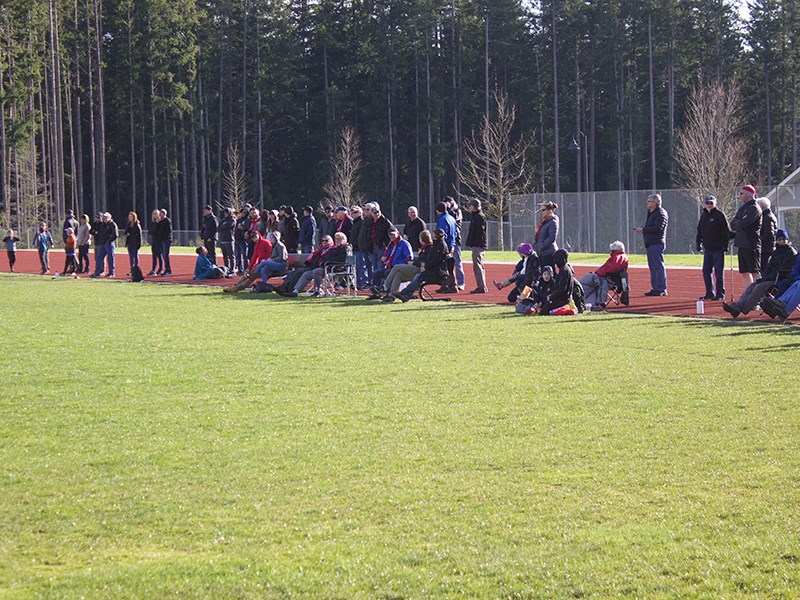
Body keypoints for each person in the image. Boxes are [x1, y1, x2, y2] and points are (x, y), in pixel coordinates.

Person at [722, 229, 797, 319]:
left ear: (787, 240)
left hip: (780, 279)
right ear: (776, 240)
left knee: (759, 287)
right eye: (779, 239)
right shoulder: (776, 251)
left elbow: (784, 271)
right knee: (753, 285)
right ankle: (737, 306)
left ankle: (742, 309)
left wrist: (767, 278)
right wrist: (764, 277)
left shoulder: (790, 252)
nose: (781, 241)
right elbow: (769, 266)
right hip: (771, 277)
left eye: (784, 239)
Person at [276, 233, 348, 297]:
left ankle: (317, 290)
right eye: (336, 238)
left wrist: (327, 260)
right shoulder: (332, 249)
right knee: (305, 274)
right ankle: (294, 291)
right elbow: (324, 257)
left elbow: (341, 259)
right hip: (323, 266)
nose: (337, 240)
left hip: (332, 267)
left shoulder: (343, 248)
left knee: (313, 271)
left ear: (344, 239)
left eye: (339, 239)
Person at [396, 229, 450, 302]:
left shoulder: (441, 246)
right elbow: (429, 259)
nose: (433, 236)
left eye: (435, 234)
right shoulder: (437, 245)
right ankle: (406, 295)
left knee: (419, 276)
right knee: (418, 276)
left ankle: (404, 293)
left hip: (439, 272)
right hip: (435, 270)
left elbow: (434, 260)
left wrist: (425, 267)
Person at [382, 230, 433, 302]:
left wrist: (419, 264)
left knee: (397, 267)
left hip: (418, 269)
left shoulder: (429, 248)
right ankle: (392, 295)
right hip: (415, 266)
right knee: (398, 274)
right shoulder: (424, 247)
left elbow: (425, 260)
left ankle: (385, 285)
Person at [696, 195, 730, 300]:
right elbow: (700, 230)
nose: (709, 205)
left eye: (711, 203)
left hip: (718, 248)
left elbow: (726, 231)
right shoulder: (703, 215)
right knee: (706, 271)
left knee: (718, 272)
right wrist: (698, 243)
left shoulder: (720, 215)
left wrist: (725, 245)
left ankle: (720, 294)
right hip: (708, 248)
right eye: (707, 203)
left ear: (715, 203)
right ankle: (709, 292)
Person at [634, 192, 668, 296]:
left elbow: (658, 228)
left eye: (649, 201)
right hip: (650, 244)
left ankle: (661, 288)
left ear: (655, 202)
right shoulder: (651, 213)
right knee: (653, 267)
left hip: (657, 243)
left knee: (658, 266)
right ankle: (655, 288)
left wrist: (643, 230)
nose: (647, 203)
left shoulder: (661, 213)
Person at [578, 241, 629, 307]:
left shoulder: (619, 257)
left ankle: (579, 297)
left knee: (583, 283)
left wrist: (601, 273)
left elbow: (613, 268)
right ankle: (591, 302)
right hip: (605, 278)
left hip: (604, 278)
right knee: (591, 285)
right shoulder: (619, 257)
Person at [729, 184, 762, 286]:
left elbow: (743, 224)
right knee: (744, 273)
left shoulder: (754, 208)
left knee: (754, 272)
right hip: (742, 244)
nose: (740, 196)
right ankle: (748, 296)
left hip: (751, 245)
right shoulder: (743, 208)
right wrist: (738, 223)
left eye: (742, 193)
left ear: (748, 194)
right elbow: (733, 223)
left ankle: (759, 296)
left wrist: (739, 223)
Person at [367, 226, 413, 299]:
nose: (391, 236)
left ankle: (387, 293)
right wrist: (384, 259)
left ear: (397, 233)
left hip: (399, 268)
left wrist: (405, 265)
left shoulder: (404, 244)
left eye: (393, 234)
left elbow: (409, 257)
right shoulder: (391, 244)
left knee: (387, 273)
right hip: (390, 266)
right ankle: (377, 293)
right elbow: (387, 257)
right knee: (376, 274)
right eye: (390, 235)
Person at [540, 249, 575, 315]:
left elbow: (562, 289)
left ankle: (563, 310)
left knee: (544, 311)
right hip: (563, 298)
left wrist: (551, 296)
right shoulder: (565, 269)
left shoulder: (564, 271)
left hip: (562, 300)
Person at [464, 198, 488, 293]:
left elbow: (480, 233)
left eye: (470, 205)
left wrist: (476, 244)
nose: (469, 207)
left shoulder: (479, 217)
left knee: (477, 265)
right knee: (478, 265)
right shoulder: (476, 216)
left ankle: (481, 287)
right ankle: (482, 286)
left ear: (474, 206)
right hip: (477, 245)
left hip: (478, 245)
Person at [435, 201, 458, 293]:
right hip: (451, 244)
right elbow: (455, 232)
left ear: (437, 210)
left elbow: (442, 233)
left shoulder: (442, 220)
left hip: (445, 245)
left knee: (447, 266)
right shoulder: (451, 218)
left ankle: (452, 286)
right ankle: (444, 285)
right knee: (447, 265)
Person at [368, 202, 393, 281]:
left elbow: (392, 232)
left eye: (377, 212)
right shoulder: (371, 222)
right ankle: (376, 284)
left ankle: (381, 285)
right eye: (374, 212)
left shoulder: (385, 222)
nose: (376, 214)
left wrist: (385, 243)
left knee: (380, 266)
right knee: (374, 266)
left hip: (382, 247)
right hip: (373, 246)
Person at [445, 196, 465, 289]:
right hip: (447, 241)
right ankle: (448, 283)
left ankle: (461, 283)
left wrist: (449, 209)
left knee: (457, 262)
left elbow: (455, 221)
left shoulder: (457, 211)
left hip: (456, 240)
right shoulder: (446, 212)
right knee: (447, 263)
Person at [534, 201, 559, 269]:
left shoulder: (553, 222)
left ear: (550, 211)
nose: (542, 212)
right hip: (541, 252)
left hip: (548, 253)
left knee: (550, 274)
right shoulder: (544, 222)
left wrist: (542, 246)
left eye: (543, 210)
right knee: (543, 274)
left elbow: (551, 238)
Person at [757, 197, 777, 274]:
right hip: (767, 247)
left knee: (764, 268)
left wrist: (758, 240)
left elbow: (769, 234)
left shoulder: (767, 218)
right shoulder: (769, 216)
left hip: (766, 248)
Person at [217, 208, 236, 275]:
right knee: (225, 256)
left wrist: (223, 227)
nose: (225, 214)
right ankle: (226, 267)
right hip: (222, 240)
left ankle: (232, 269)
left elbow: (228, 226)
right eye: (225, 213)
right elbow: (218, 229)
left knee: (231, 256)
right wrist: (223, 227)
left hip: (229, 240)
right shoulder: (222, 221)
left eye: (227, 213)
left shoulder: (232, 220)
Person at [234, 205, 250, 274]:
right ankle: (240, 269)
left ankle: (246, 269)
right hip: (237, 239)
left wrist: (242, 228)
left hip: (244, 240)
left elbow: (248, 228)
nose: (243, 213)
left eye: (244, 212)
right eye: (242, 212)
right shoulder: (239, 219)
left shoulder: (248, 220)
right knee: (238, 255)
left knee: (245, 255)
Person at [157, 208, 172, 276]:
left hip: (166, 241)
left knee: (166, 255)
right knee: (163, 256)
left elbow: (169, 231)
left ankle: (168, 270)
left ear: (164, 214)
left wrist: (164, 238)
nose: (160, 215)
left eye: (161, 213)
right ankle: (166, 269)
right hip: (161, 240)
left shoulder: (167, 221)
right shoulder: (160, 221)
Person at [148, 209, 163, 276]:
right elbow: (150, 231)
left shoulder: (160, 223)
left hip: (159, 241)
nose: (155, 215)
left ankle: (160, 269)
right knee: (154, 256)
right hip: (154, 241)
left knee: (159, 256)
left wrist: (157, 224)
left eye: (156, 214)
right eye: (153, 214)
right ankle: (153, 269)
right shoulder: (153, 223)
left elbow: (158, 231)